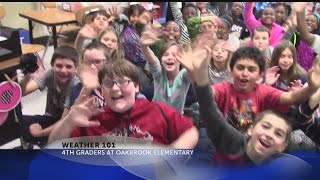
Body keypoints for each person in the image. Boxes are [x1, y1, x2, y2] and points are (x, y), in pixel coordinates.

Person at [48, 59, 199, 149]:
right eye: (108, 83)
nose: (115, 88)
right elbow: (53, 146)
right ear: (102, 90)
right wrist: (69, 121)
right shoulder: (94, 119)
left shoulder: (157, 110)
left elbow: (191, 132)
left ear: (137, 86)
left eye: (122, 82)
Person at [176, 41, 320, 133]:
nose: (245, 73)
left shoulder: (264, 92)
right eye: (240, 68)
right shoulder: (225, 88)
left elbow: (290, 97)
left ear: (259, 75)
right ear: (232, 71)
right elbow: (206, 94)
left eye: (251, 70)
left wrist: (311, 88)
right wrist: (195, 73)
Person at [19, 46, 80, 144]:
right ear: (52, 65)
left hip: (68, 128)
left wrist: (39, 133)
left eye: (69, 67)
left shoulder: (75, 86)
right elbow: (21, 92)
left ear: (76, 68)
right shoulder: (51, 73)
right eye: (59, 66)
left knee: (29, 132)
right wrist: (28, 75)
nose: (63, 71)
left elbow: (64, 123)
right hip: (51, 119)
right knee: (18, 122)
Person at [140, 29, 191, 113]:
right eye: (166, 54)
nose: (170, 57)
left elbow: (192, 71)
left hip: (175, 120)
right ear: (161, 59)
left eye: (174, 55)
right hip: (156, 117)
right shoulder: (159, 74)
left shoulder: (183, 76)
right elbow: (153, 61)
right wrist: (144, 47)